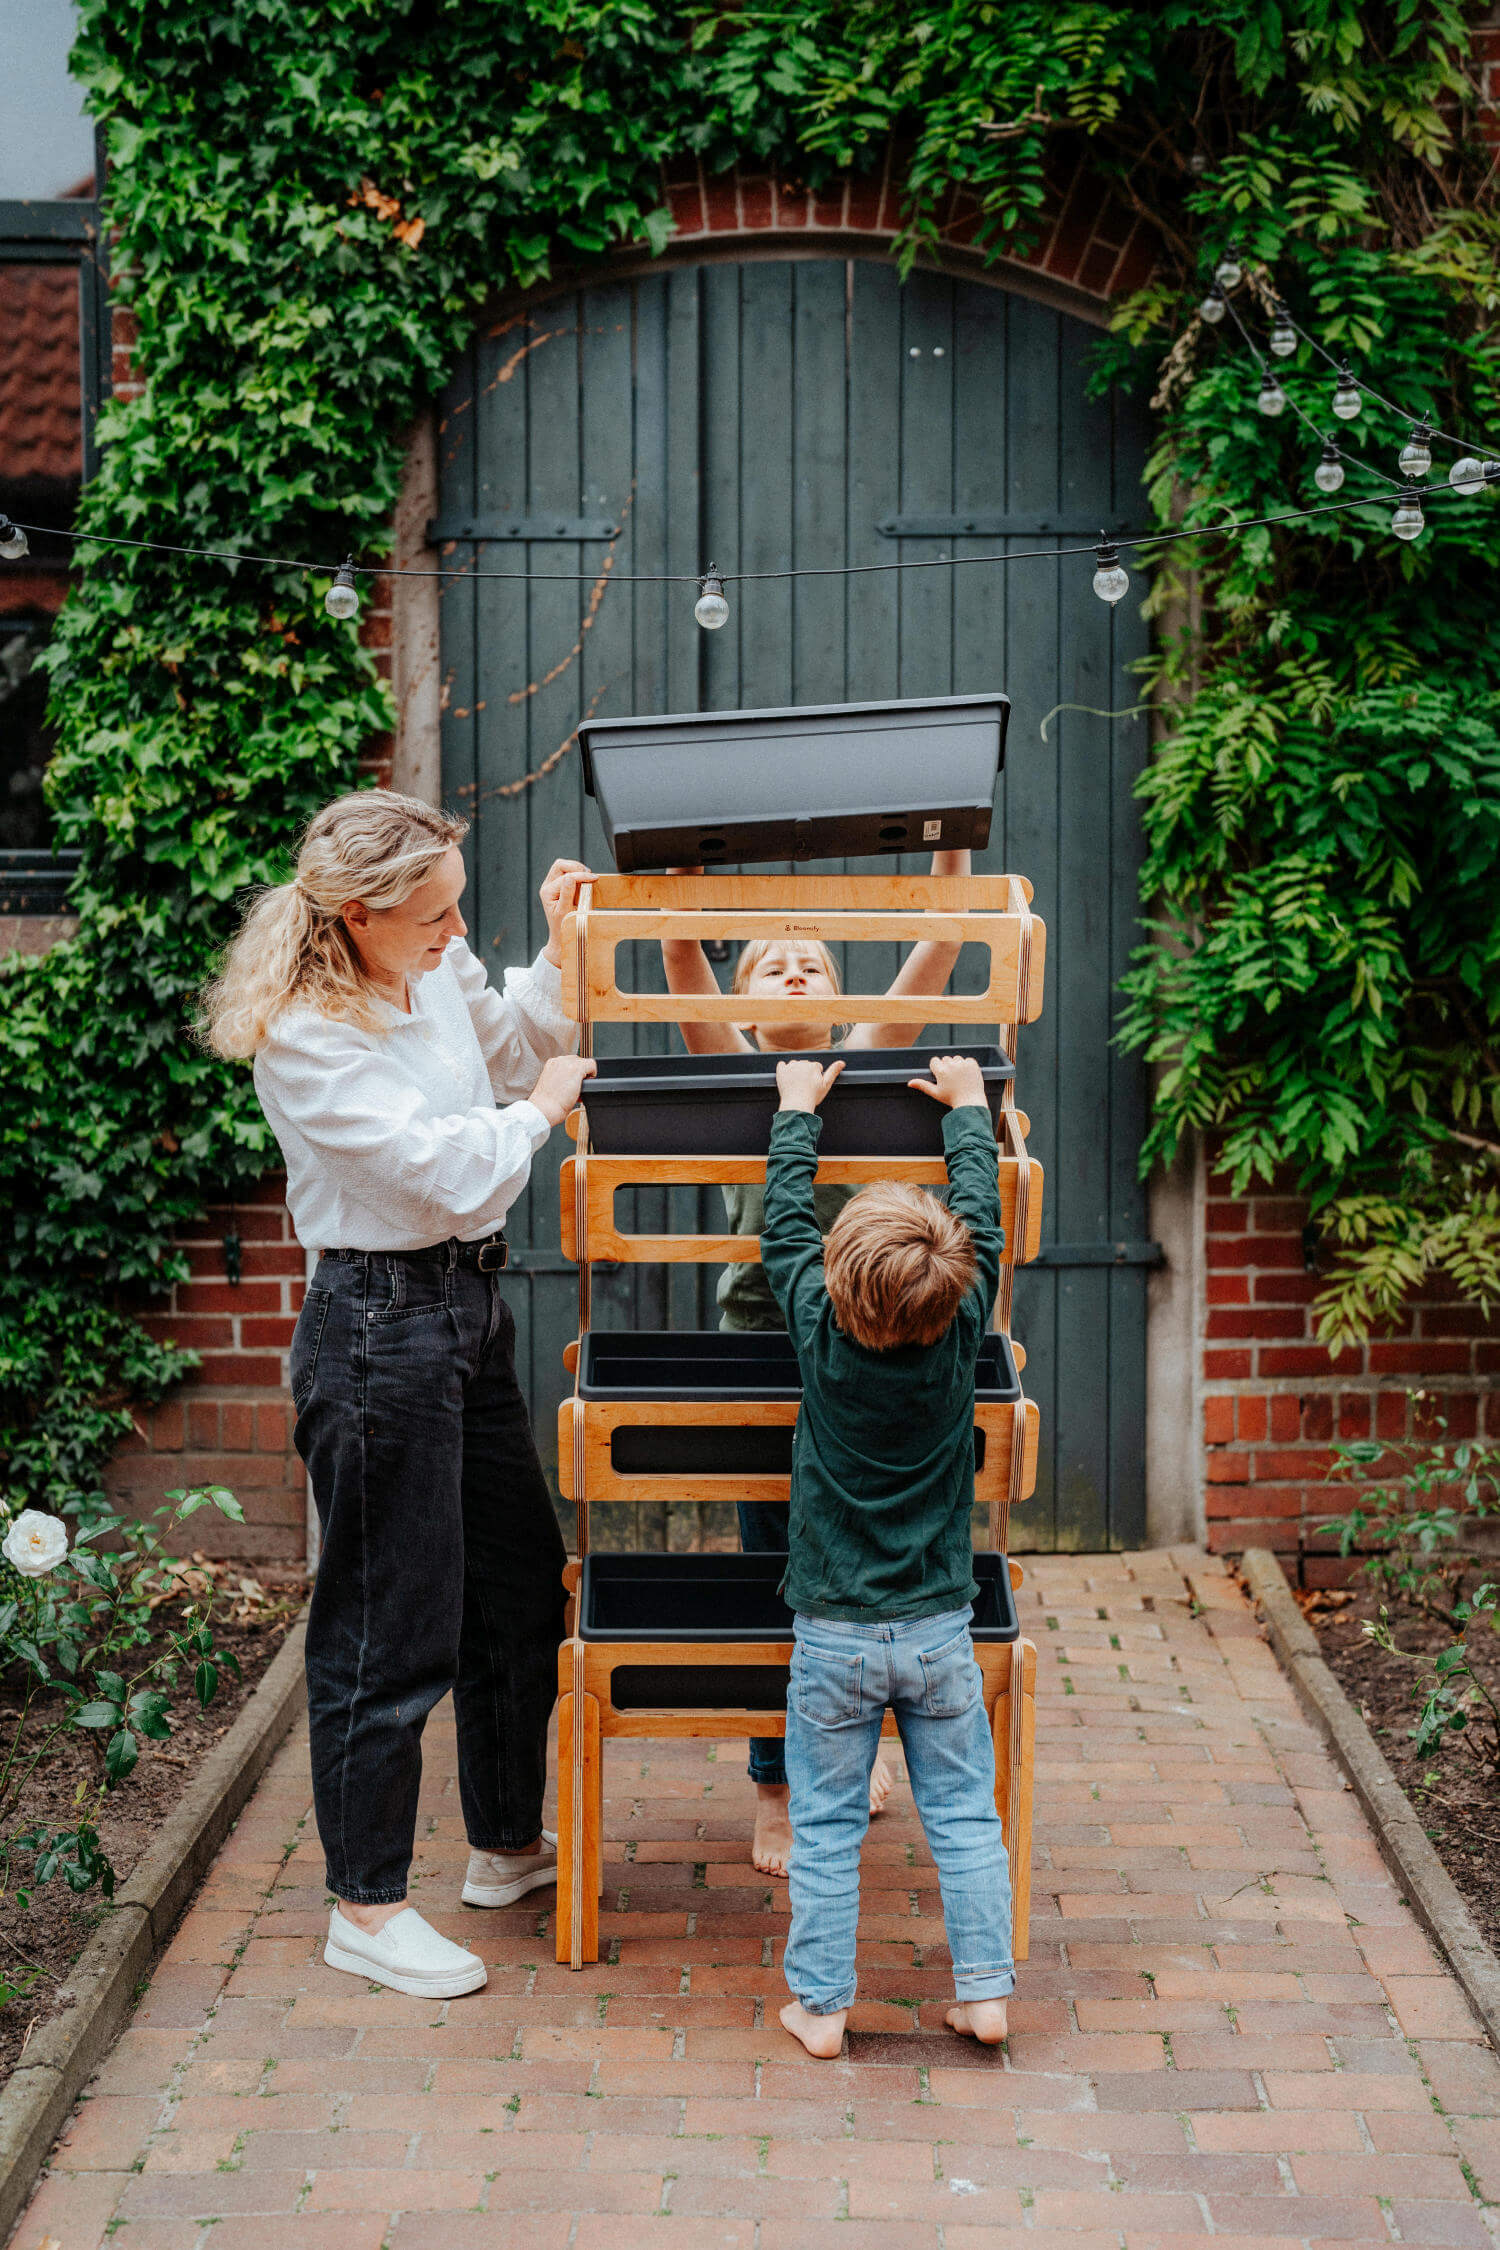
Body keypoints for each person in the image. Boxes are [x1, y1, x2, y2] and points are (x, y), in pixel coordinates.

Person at [200, 789, 596, 2001]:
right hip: (376, 1329)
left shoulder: (429, 963)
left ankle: (504, 1844)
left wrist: (559, 942)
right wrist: (535, 1119)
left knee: (522, 1584)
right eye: (434, 911)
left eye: (460, 904)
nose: (452, 926)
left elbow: (515, 1037)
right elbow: (442, 1179)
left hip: (464, 1318)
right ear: (362, 916)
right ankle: (364, 1909)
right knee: (389, 1622)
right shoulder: (307, 1036)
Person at [660, 851, 972, 1878]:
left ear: (840, 995)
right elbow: (676, 963)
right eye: (770, 964)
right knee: (770, 1570)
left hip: (869, 1349)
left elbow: (937, 950)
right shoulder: (728, 1063)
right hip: (763, 1354)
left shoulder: (869, 1058)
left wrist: (949, 855)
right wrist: (681, 887)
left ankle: (861, 1730)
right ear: (741, 1003)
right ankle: (777, 1787)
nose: (795, 971)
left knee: (874, 1553)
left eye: (813, 961)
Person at [760, 1051, 1014, 2058]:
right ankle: (985, 1995)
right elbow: (983, 1220)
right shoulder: (964, 1334)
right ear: (958, 1285)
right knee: (964, 1818)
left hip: (833, 1631)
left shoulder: (817, 1330)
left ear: (834, 1277)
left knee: (823, 1824)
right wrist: (969, 1111)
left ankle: (821, 2009)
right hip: (941, 1627)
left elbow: (784, 1225)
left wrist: (793, 1116)